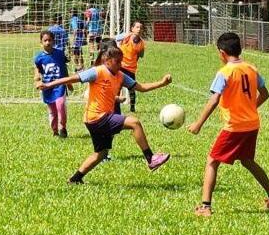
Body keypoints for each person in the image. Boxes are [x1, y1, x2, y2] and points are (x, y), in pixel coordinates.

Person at [42, 45, 173, 184]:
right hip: (97, 117)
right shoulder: (97, 72)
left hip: (95, 120)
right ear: (107, 60)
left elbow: (141, 88)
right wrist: (49, 85)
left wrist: (162, 83)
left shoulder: (121, 76)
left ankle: (75, 179)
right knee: (134, 123)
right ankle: (150, 158)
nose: (120, 65)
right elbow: (72, 78)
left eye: (121, 61)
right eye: (117, 62)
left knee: (101, 154)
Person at [187, 32, 269, 217]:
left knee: (212, 161)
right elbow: (265, 94)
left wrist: (198, 123)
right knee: (247, 161)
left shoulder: (224, 72)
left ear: (222, 53)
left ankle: (205, 207)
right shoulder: (251, 68)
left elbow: (215, 99)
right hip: (252, 124)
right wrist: (250, 108)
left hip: (235, 126)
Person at [34, 30, 71, 138]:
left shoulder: (59, 53)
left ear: (54, 41)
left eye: (50, 40)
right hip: (47, 87)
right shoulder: (39, 58)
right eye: (45, 40)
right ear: (41, 42)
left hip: (60, 86)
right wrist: (37, 79)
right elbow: (37, 70)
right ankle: (54, 130)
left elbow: (64, 68)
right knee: (53, 112)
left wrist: (68, 82)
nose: (47, 43)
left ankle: (62, 127)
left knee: (60, 106)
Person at [116, 21, 146, 112]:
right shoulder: (126, 36)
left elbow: (140, 55)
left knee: (132, 88)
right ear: (132, 29)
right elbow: (114, 38)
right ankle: (115, 104)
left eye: (140, 28)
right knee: (117, 86)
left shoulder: (141, 43)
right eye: (137, 27)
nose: (139, 29)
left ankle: (132, 107)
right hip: (120, 66)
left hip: (131, 69)